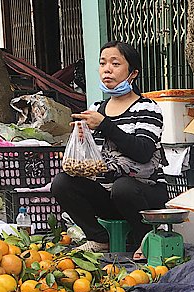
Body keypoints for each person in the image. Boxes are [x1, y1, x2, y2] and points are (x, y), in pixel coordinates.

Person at [51, 41, 167, 253]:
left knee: (123, 187)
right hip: (107, 196)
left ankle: (145, 239)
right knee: (62, 182)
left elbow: (142, 152)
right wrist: (81, 139)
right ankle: (98, 238)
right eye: (103, 63)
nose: (107, 69)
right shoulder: (96, 108)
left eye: (115, 64)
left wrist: (104, 125)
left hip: (142, 194)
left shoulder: (147, 108)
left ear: (133, 73)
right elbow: (93, 159)